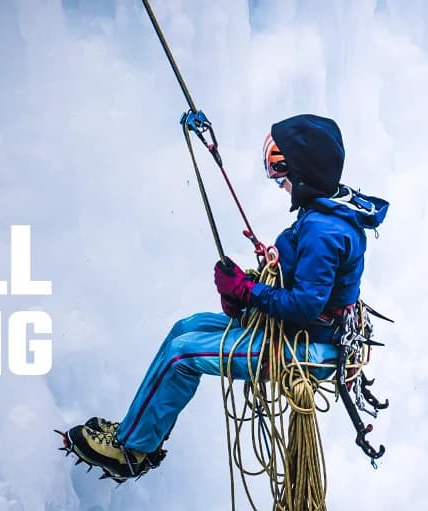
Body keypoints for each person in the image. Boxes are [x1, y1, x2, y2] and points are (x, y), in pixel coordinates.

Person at [65, 114, 389, 482]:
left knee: (182, 355)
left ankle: (132, 451)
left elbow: (304, 306)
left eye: (280, 167)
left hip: (310, 348)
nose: (278, 179)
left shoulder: (323, 229)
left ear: (304, 172)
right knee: (186, 328)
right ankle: (141, 428)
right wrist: (254, 285)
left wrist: (247, 291)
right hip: (308, 333)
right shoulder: (329, 209)